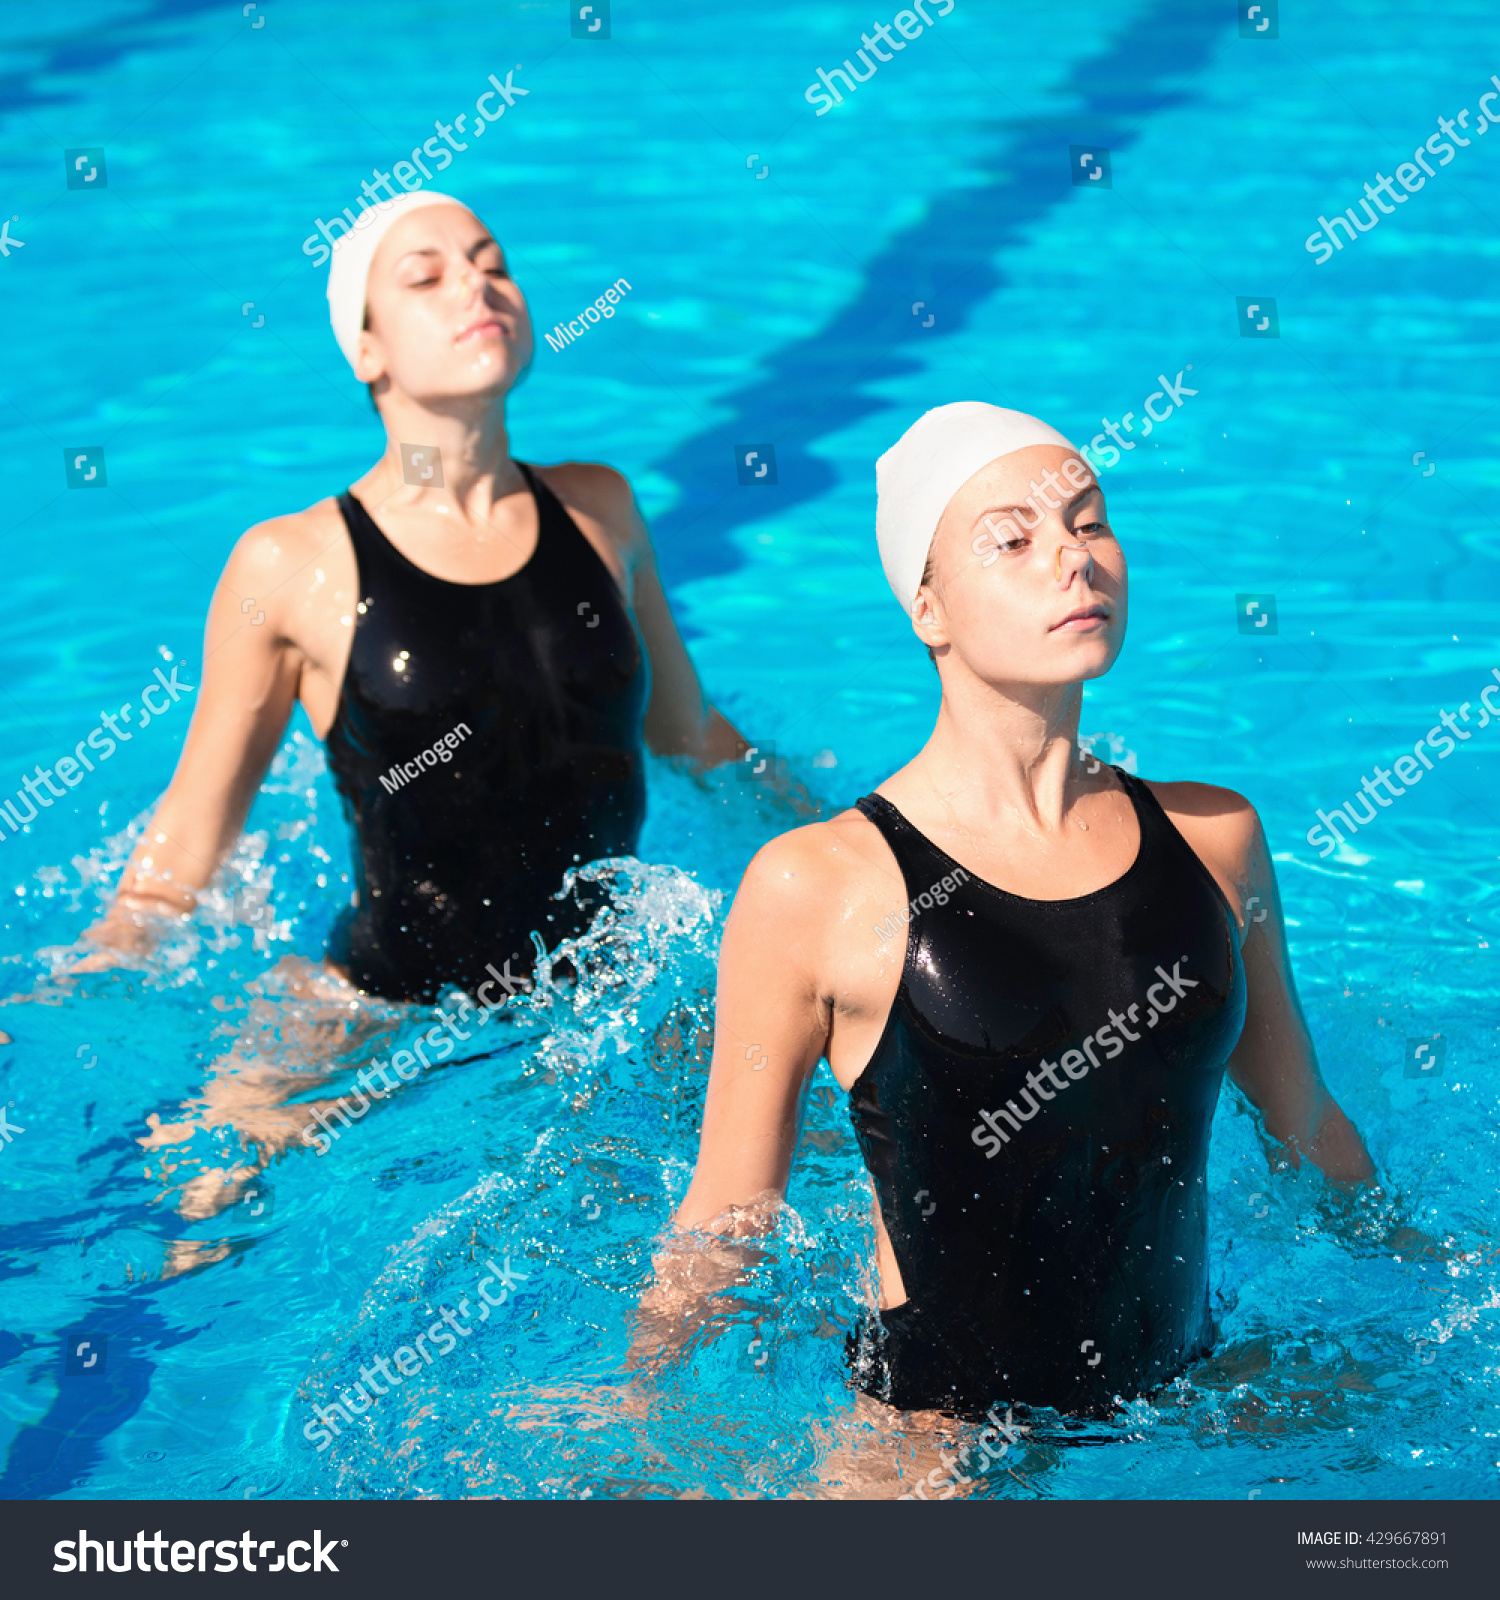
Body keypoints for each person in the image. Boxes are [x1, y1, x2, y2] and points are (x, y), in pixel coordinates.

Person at [656, 402, 1381, 1435]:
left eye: (1089, 523)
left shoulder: (1215, 839)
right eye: (1015, 538)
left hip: (1186, 1398)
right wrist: (629, 1414)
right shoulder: (817, 885)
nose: (1074, 560)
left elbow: (1301, 1123)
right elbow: (728, 1222)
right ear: (930, 609)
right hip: (937, 1436)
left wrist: (1437, 1265)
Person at [75, 190, 745, 1224]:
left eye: (491, 262)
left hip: (618, 990)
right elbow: (194, 832)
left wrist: (856, 835)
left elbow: (690, 736)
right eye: (425, 276)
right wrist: (89, 971)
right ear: (366, 350)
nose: (476, 284)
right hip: (384, 1004)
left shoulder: (600, 511)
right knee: (196, 1219)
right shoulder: (291, 564)